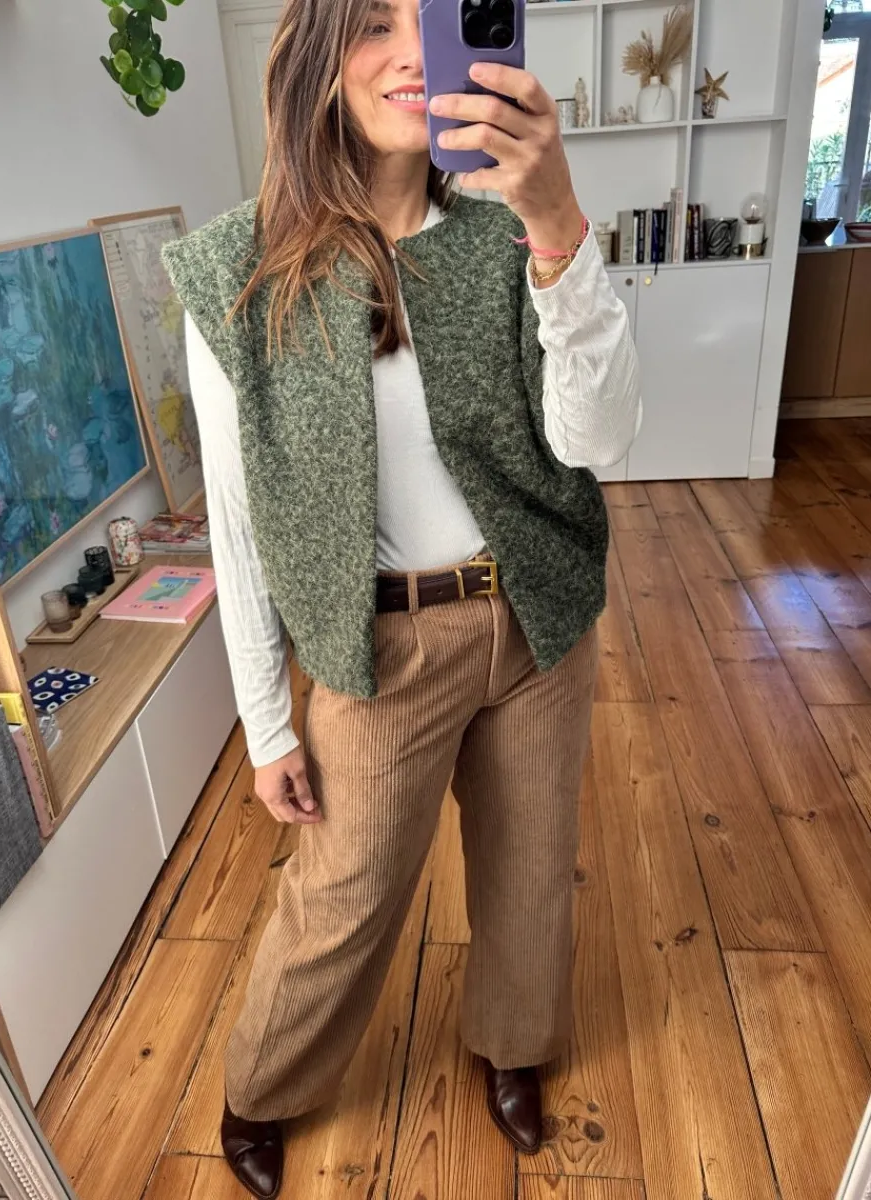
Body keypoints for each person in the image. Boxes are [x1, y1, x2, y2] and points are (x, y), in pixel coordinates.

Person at [162, 0, 641, 1193]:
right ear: (320, 59)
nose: (415, 56)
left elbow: (599, 442)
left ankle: (513, 1047)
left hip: (536, 615)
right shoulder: (237, 272)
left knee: (532, 865)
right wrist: (267, 723)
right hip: (378, 645)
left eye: (432, 19)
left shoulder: (504, 233)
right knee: (346, 894)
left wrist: (558, 225)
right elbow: (240, 522)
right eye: (375, 23)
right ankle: (262, 1087)